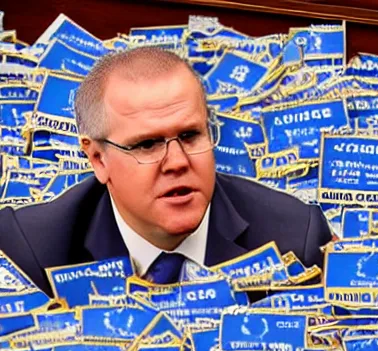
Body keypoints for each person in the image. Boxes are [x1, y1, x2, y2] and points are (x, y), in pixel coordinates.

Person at [0, 47, 332, 296]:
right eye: (147, 145)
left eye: (190, 135)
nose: (177, 162)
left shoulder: (294, 240)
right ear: (98, 159)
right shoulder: (31, 252)